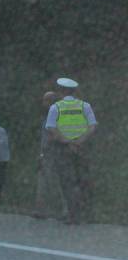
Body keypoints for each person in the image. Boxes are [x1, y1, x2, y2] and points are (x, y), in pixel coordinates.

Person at [44, 77, 97, 225]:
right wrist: (80, 141)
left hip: (63, 149)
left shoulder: (56, 107)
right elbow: (92, 126)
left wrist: (67, 141)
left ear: (61, 91)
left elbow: (51, 128)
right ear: (74, 91)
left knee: (68, 182)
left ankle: (73, 215)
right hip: (82, 148)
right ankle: (88, 215)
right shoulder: (85, 106)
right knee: (83, 180)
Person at [34, 91, 67, 219]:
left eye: (46, 101)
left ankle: (65, 210)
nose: (43, 104)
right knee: (43, 182)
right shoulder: (46, 117)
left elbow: (57, 136)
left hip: (55, 153)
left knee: (59, 182)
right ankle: (41, 210)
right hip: (46, 154)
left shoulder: (57, 116)